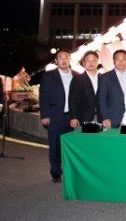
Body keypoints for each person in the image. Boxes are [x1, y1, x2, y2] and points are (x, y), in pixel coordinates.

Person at [39, 49, 80, 182]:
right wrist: (44, 115)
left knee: (70, 145)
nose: (63, 60)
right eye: (60, 57)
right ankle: (56, 173)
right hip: (55, 116)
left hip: (72, 117)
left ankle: (69, 170)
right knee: (55, 145)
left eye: (66, 57)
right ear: (56, 61)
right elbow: (43, 97)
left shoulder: (77, 76)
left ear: (70, 59)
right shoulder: (48, 76)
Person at [98, 49, 126, 129]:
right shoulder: (105, 77)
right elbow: (101, 99)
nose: (121, 62)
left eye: (123, 59)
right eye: (118, 59)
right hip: (111, 119)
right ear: (113, 61)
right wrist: (105, 117)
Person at [69, 51, 101, 127]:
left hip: (101, 117)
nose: (91, 63)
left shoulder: (104, 78)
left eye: (94, 60)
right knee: (84, 138)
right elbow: (73, 100)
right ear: (83, 63)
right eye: (88, 60)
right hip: (83, 117)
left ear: (97, 63)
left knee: (101, 138)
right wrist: (73, 117)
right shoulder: (77, 79)